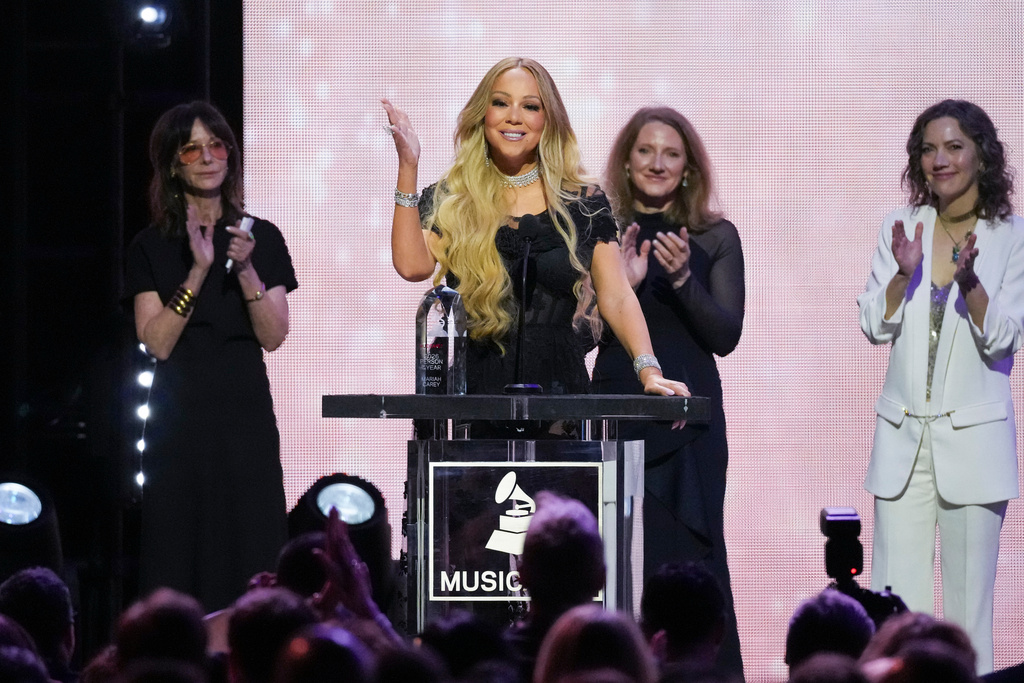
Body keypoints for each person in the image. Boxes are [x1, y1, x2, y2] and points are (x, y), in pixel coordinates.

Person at [382, 58, 689, 415]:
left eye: (530, 106)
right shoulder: (454, 197)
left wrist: (648, 371)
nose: (514, 116)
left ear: (548, 121)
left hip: (561, 399)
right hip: (475, 399)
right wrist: (408, 166)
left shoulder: (582, 202)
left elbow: (617, 296)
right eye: (500, 103)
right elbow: (411, 266)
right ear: (483, 115)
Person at [857, 99, 1024, 674]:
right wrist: (905, 275)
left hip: (974, 444)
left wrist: (970, 280)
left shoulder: (1011, 236)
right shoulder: (902, 228)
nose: (939, 159)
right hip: (903, 439)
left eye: (954, 146)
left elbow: (1005, 339)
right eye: (929, 149)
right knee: (895, 609)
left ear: (982, 155)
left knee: (967, 613)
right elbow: (873, 325)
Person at [125, 100, 298, 612]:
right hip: (179, 420)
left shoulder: (259, 237)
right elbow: (155, 341)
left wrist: (245, 271)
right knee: (178, 550)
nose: (207, 157)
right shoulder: (150, 246)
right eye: (191, 149)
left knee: (253, 545)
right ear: (172, 164)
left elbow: (274, 335)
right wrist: (198, 271)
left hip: (244, 415)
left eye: (216, 145)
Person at [590, 107, 744, 677]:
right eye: (645, 151)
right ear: (627, 163)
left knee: (692, 557)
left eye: (671, 153)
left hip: (691, 417)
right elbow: (581, 332)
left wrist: (682, 282)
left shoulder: (715, 236)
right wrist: (617, 288)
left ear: (688, 168)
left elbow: (725, 335)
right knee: (619, 558)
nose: (657, 163)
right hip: (619, 408)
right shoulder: (600, 230)